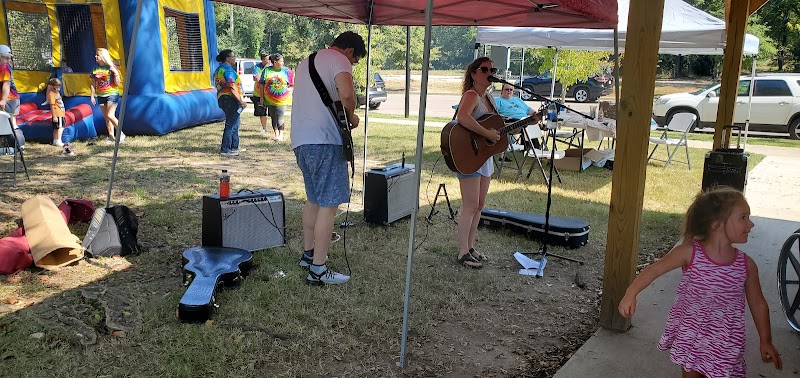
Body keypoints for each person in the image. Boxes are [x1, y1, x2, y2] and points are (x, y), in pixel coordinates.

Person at [619, 186, 782, 377]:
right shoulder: (690, 253)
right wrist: (631, 293)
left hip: (726, 341)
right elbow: (655, 269)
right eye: (743, 217)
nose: (750, 224)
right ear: (716, 224)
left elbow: (758, 303)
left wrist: (766, 340)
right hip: (691, 336)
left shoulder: (746, 265)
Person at [291, 31, 366, 285]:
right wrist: (352, 116)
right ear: (349, 51)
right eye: (355, 61)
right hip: (324, 140)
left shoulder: (307, 61)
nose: (352, 65)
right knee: (329, 204)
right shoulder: (339, 60)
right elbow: (346, 95)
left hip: (301, 140)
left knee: (314, 199)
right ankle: (318, 269)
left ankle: (308, 254)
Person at [453, 57, 501, 269]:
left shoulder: (489, 97)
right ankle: (462, 251)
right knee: (470, 205)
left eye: (492, 69)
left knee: (480, 205)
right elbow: (463, 118)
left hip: (483, 156)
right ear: (474, 74)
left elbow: (496, 127)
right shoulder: (471, 95)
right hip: (468, 154)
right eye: (484, 69)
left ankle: (470, 247)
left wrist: (529, 121)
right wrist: (486, 133)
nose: (489, 72)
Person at [214, 49, 247, 157]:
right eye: (233, 56)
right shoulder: (227, 70)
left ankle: (234, 147)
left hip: (223, 98)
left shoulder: (219, 69)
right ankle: (225, 149)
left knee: (235, 123)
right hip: (230, 99)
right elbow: (232, 86)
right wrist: (241, 101)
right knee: (231, 124)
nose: (235, 58)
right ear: (228, 58)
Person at [90, 48, 124, 144]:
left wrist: (116, 73)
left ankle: (121, 133)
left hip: (112, 94)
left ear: (103, 56)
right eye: (96, 55)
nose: (96, 57)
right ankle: (111, 137)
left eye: (98, 55)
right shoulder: (95, 68)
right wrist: (92, 95)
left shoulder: (111, 67)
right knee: (106, 117)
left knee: (110, 115)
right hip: (101, 95)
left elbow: (117, 84)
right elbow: (93, 83)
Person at [494, 83, 542, 150]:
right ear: (502, 91)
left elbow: (528, 109)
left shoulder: (518, 99)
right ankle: (533, 148)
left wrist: (535, 114)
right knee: (527, 123)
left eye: (511, 89)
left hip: (525, 120)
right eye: (506, 89)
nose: (509, 91)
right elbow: (494, 114)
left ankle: (534, 149)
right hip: (511, 122)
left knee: (532, 121)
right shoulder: (498, 101)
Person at [259, 53, 293, 141]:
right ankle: (276, 133)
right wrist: (262, 97)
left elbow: (291, 84)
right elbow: (262, 84)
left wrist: (289, 90)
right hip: (269, 99)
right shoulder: (266, 70)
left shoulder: (287, 71)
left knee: (280, 116)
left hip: (282, 99)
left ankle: (281, 135)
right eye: (281, 61)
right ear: (275, 62)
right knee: (273, 116)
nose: (283, 63)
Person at [0, 44, 25, 149]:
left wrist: (3, 100)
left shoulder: (4, 67)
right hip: (11, 99)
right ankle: (10, 145)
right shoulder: (5, 66)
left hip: (10, 99)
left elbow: (6, 84)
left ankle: (18, 144)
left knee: (11, 122)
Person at [252, 51, 271, 133]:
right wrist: (265, 68)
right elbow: (257, 79)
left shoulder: (272, 67)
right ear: (263, 60)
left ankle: (276, 128)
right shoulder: (257, 67)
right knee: (262, 112)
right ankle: (264, 128)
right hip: (259, 93)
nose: (269, 61)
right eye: (267, 59)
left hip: (270, 94)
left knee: (273, 112)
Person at [46, 78, 66, 147]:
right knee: (60, 127)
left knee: (57, 127)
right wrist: (54, 116)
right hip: (58, 114)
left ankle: (55, 140)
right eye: (56, 87)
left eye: (59, 87)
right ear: (52, 86)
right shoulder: (52, 94)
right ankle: (58, 140)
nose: (58, 88)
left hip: (61, 112)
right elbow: (52, 105)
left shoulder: (57, 93)